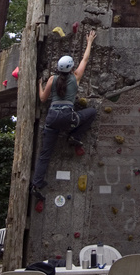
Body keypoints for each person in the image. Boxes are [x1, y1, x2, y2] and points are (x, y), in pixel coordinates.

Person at [31, 29, 98, 194]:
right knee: (91, 113)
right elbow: (85, 59)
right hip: (69, 118)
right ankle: (75, 136)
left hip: (52, 118)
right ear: (70, 68)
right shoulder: (76, 77)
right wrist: (89, 41)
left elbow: (42, 99)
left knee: (45, 155)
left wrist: (40, 84)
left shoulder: (52, 80)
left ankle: (36, 184)